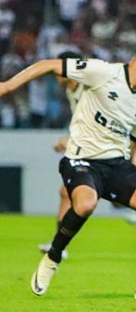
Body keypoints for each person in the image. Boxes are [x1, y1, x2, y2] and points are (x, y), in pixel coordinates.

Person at [0, 37, 136, 301]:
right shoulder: (103, 72)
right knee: (85, 204)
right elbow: (49, 64)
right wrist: (8, 85)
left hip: (116, 163)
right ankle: (53, 256)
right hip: (82, 159)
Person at [38, 51, 84, 260]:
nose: (57, 74)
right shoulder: (71, 91)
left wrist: (68, 140)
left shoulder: (88, 89)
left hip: (103, 150)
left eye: (60, 69)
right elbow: (80, 123)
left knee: (123, 199)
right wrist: (68, 138)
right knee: (65, 192)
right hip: (87, 148)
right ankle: (59, 245)